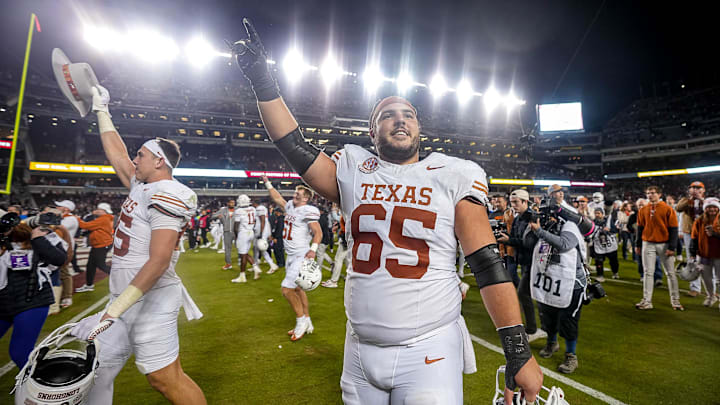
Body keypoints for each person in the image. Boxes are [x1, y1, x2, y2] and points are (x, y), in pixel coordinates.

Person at [229, 20, 542, 403]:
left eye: (408, 114)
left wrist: (517, 350)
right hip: (359, 349)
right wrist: (263, 81)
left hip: (429, 349)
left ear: (419, 128)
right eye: (388, 115)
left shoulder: (453, 173)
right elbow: (294, 146)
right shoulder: (354, 169)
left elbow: (487, 264)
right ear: (372, 131)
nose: (400, 119)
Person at [70, 85, 206, 404]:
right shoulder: (142, 185)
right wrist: (102, 110)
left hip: (151, 296)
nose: (134, 159)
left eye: (141, 155)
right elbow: (117, 155)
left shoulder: (169, 192)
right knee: (98, 368)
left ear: (159, 161)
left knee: (164, 377)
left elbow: (158, 262)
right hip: (127, 295)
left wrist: (111, 312)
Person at [524, 199, 587, 374]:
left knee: (568, 321)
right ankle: (552, 343)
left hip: (572, 282)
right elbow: (527, 244)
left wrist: (540, 232)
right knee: (548, 316)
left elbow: (565, 244)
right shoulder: (547, 225)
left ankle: (571, 355)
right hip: (549, 280)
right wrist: (533, 229)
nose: (547, 215)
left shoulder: (570, 225)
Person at [0, 215, 68, 368]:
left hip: (32, 300)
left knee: (20, 353)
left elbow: (59, 259)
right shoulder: (4, 241)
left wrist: (37, 239)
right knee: (20, 352)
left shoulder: (43, 237)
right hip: (4, 301)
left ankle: (40, 387)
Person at [262, 177, 322, 341]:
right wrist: (267, 183)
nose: (295, 196)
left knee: (286, 290)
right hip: (291, 256)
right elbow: (277, 198)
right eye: (295, 193)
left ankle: (300, 321)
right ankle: (308, 320)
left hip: (300, 255)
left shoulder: (307, 210)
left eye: (298, 194)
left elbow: (318, 233)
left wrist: (313, 250)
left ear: (306, 198)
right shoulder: (290, 207)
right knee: (298, 289)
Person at [497, 189, 542, 337]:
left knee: (524, 293)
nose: (513, 205)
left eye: (516, 202)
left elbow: (528, 243)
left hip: (533, 261)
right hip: (523, 260)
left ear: (525, 201)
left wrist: (508, 240)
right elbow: (516, 237)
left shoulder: (533, 217)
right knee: (527, 294)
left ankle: (532, 329)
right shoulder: (517, 218)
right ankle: (535, 326)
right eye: (512, 202)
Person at [635, 186, 682, 311]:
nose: (650, 195)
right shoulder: (643, 209)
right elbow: (640, 229)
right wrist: (638, 244)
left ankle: (675, 301)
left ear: (659, 194)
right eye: (648, 193)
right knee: (648, 273)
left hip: (664, 244)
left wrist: (672, 247)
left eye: (653, 193)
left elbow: (673, 229)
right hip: (647, 243)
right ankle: (647, 301)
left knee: (670, 273)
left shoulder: (667, 209)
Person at [75, 203, 114, 293]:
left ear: (103, 211)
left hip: (101, 245)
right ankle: (89, 285)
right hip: (98, 244)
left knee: (101, 265)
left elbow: (85, 226)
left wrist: (77, 219)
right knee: (90, 266)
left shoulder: (104, 218)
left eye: (98, 209)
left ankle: (121, 277)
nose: (96, 210)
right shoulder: (105, 218)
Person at [677, 181, 706, 297]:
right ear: (689, 190)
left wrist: (701, 200)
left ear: (703, 190)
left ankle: (713, 289)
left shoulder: (709, 201)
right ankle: (695, 288)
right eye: (693, 188)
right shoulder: (685, 200)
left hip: (705, 233)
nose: (695, 190)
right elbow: (679, 208)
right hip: (689, 233)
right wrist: (690, 199)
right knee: (692, 259)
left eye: (698, 188)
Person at [690, 197, 720, 308]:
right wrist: (693, 253)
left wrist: (715, 234)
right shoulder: (699, 221)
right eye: (709, 207)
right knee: (706, 278)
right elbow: (694, 237)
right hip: (704, 254)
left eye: (714, 207)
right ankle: (711, 296)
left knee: (719, 279)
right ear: (705, 209)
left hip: (719, 254)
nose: (712, 209)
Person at [231, 194, 262, 282]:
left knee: (242, 254)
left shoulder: (239, 211)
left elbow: (236, 226)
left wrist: (236, 236)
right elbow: (255, 221)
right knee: (244, 253)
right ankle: (255, 267)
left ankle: (242, 276)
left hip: (243, 233)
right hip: (250, 232)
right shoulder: (253, 209)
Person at [55, 200, 78, 308]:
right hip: (58, 248)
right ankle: (59, 295)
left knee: (64, 273)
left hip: (65, 249)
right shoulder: (65, 217)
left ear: (66, 209)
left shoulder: (70, 219)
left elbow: (55, 227)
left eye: (59, 206)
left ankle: (67, 297)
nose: (56, 207)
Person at [252, 199, 280, 272]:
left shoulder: (259, 208)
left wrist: (261, 233)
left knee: (261, 248)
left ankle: (272, 265)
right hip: (264, 230)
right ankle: (255, 265)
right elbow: (266, 222)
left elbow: (263, 220)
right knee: (255, 249)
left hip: (261, 231)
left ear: (254, 203)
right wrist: (269, 233)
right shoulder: (263, 208)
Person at [592, 208, 619, 281]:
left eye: (598, 213)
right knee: (599, 261)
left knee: (614, 261)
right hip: (599, 245)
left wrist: (609, 230)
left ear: (602, 213)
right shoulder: (593, 222)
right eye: (596, 213)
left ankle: (615, 272)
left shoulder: (609, 220)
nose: (597, 215)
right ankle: (600, 275)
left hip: (611, 245)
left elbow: (616, 230)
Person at [212, 199, 237, 270]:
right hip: (227, 231)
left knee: (240, 247)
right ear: (228, 203)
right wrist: (219, 216)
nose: (233, 204)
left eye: (233, 202)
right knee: (227, 249)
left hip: (236, 231)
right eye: (231, 202)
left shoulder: (237, 210)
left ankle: (240, 260)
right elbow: (213, 216)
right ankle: (228, 264)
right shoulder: (223, 210)